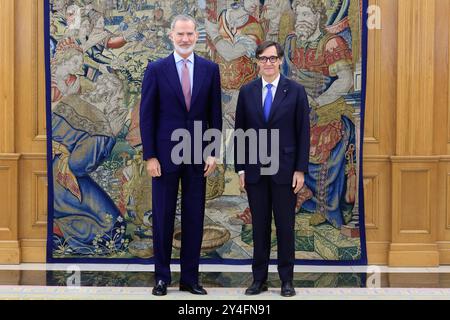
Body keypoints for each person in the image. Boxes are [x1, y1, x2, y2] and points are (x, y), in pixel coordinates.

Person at [139, 15, 222, 296]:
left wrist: (213, 152)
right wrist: (150, 156)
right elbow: (146, 117)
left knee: (194, 218)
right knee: (162, 217)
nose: (185, 39)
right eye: (180, 34)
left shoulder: (210, 70)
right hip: (164, 157)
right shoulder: (156, 69)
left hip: (198, 156)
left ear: (196, 36)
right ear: (171, 36)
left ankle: (190, 279)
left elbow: (215, 115)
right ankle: (162, 278)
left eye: (190, 34)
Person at [234, 41, 310, 297]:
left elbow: (303, 133)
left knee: (286, 227)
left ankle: (287, 280)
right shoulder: (247, 92)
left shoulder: (296, 91)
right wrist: (241, 170)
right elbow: (240, 133)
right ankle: (259, 280)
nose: (268, 63)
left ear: (280, 60)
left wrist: (300, 170)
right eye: (263, 58)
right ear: (257, 62)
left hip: (285, 170)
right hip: (255, 171)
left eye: (272, 58)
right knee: (260, 227)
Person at [283, 0, 356, 228]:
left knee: (321, 143)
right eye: (298, 14)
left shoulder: (332, 43)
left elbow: (345, 80)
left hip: (324, 110)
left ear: (318, 16)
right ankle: (297, 194)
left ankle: (324, 208)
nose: (301, 19)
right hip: (295, 110)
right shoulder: (292, 42)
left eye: (306, 14)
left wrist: (318, 101)